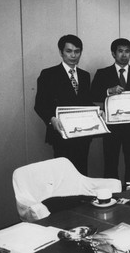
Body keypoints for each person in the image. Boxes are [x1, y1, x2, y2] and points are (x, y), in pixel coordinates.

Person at [34, 34, 94, 175]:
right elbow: (40, 104)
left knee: (82, 172)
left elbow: (85, 102)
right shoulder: (48, 74)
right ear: (61, 52)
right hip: (61, 133)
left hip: (83, 134)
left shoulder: (85, 75)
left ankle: (82, 198)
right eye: (69, 51)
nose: (73, 55)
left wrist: (98, 112)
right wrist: (51, 119)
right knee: (64, 174)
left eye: (77, 51)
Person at [91, 38, 130, 184]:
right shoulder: (103, 73)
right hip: (111, 127)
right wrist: (109, 90)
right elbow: (92, 95)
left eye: (127, 51)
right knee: (110, 163)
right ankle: (112, 195)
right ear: (113, 53)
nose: (124, 55)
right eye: (120, 51)